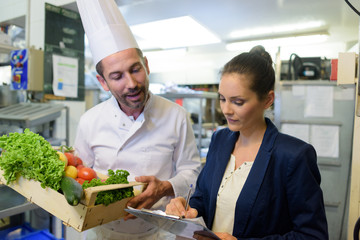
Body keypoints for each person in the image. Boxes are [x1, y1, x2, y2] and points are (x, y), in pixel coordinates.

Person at [166, 46, 329, 240]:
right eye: (222, 99)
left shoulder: (293, 156)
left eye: (238, 102)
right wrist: (188, 209)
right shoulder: (220, 140)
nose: (226, 110)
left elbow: (312, 235)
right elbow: (203, 197)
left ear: (267, 100)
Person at [74, 0, 201, 239]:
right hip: (102, 233)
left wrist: (165, 187)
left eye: (135, 69)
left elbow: (192, 172)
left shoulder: (176, 116)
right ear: (103, 83)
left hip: (158, 232)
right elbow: (79, 173)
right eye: (117, 76)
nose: (131, 84)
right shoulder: (89, 121)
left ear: (147, 65)